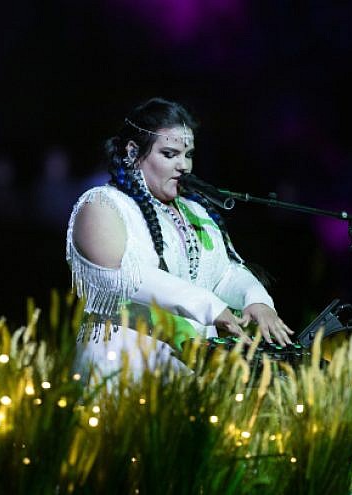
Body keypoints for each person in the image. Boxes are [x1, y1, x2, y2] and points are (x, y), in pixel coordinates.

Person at [65, 97, 293, 381]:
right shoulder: (102, 204)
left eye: (188, 154)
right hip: (122, 365)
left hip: (189, 371)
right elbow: (122, 277)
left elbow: (223, 273)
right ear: (133, 152)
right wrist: (209, 305)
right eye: (170, 154)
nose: (184, 165)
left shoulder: (195, 211)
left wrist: (256, 299)